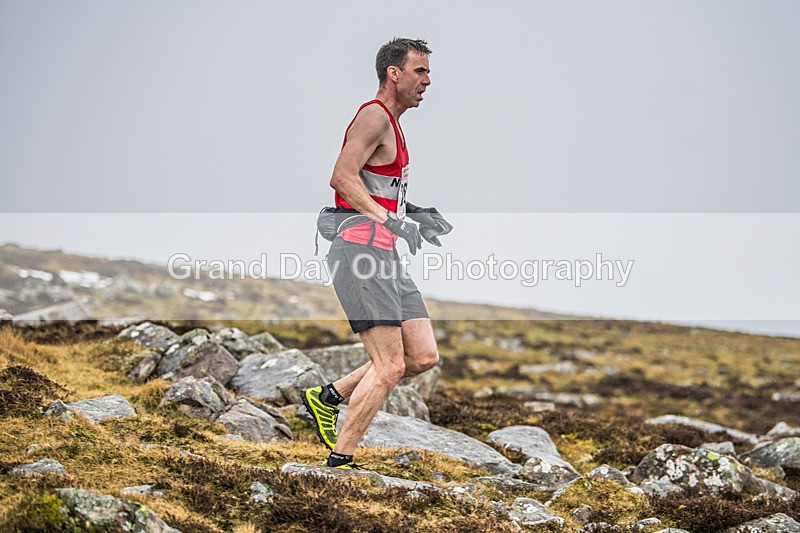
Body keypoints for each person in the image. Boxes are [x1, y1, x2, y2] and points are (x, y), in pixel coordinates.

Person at [301, 38, 453, 469]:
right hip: (360, 252)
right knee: (388, 366)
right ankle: (340, 463)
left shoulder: (394, 123)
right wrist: (390, 222)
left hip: (386, 255)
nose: (427, 80)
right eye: (420, 71)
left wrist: (415, 214)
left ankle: (327, 396)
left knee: (422, 357)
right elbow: (342, 177)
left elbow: (377, 189)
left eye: (427, 72)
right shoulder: (374, 115)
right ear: (394, 73)